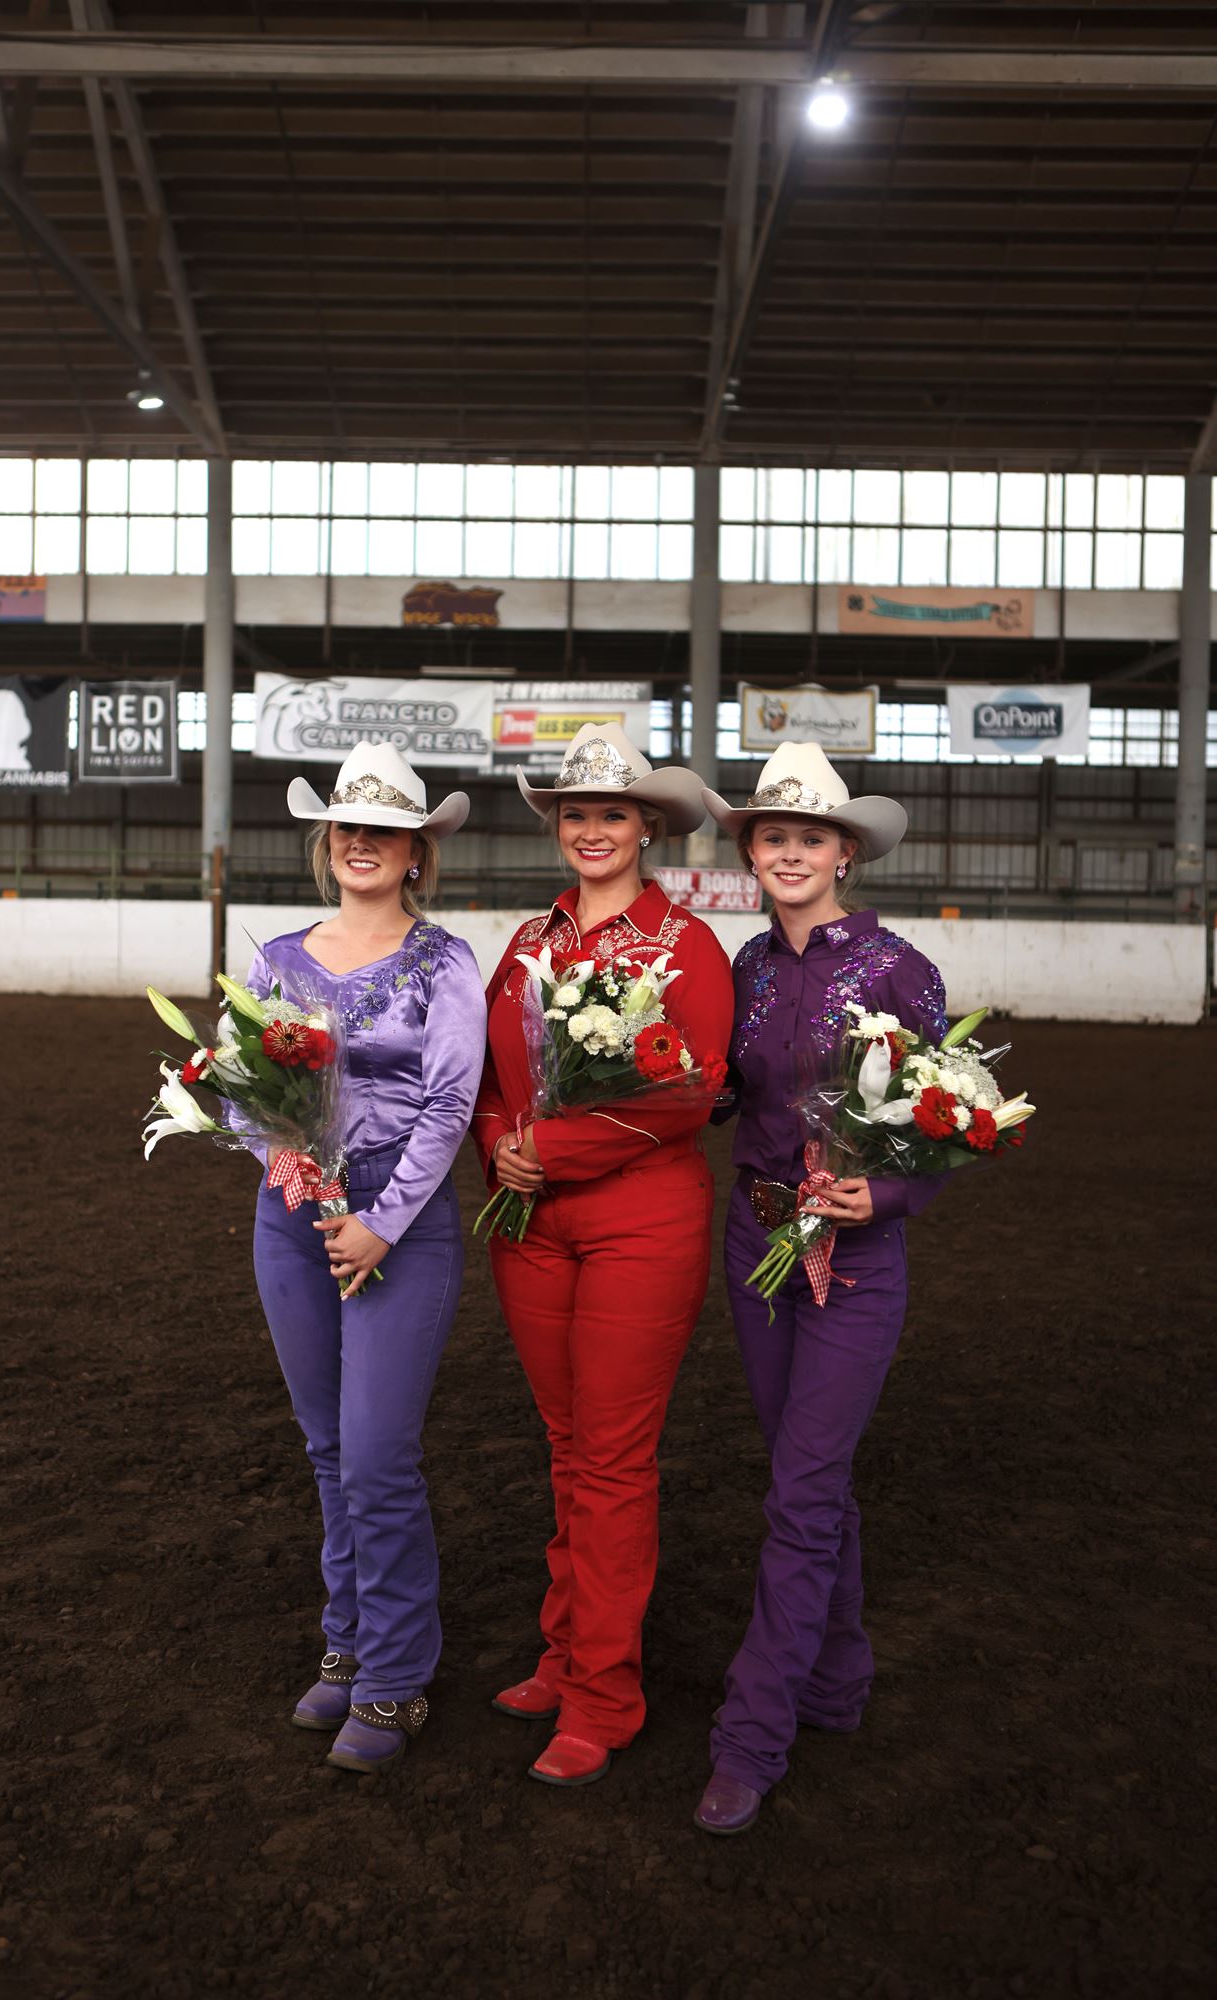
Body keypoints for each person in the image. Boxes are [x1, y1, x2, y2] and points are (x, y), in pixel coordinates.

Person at [692, 740, 950, 1835]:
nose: (788, 851)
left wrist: (880, 1201)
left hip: (855, 1262)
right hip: (756, 1257)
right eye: (771, 835)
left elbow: (941, 1128)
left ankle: (749, 1737)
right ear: (749, 851)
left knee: (799, 1495)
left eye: (809, 835)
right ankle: (839, 1676)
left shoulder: (899, 969)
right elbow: (714, 1094)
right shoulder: (739, 968)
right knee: (811, 1482)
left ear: (844, 850)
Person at [473, 723, 735, 1788]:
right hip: (532, 1221)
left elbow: (692, 1087)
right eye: (573, 813)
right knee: (565, 1441)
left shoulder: (685, 946)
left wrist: (551, 1148)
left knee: (613, 1456)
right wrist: (499, 1143)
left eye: (610, 813)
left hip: (639, 1217)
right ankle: (564, 1647)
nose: (590, 829)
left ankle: (603, 1695)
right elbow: (489, 1074)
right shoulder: (527, 939)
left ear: (648, 827)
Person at [243, 741, 485, 1773]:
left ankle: (393, 1677)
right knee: (328, 1448)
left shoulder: (445, 964)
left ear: (417, 851)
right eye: (346, 827)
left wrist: (379, 1216)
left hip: (402, 1221)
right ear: (326, 841)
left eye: (382, 830)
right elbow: (237, 1081)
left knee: (379, 1452)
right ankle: (347, 1642)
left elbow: (447, 1104)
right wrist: (286, 1161)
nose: (360, 844)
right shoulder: (278, 957)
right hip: (293, 1223)